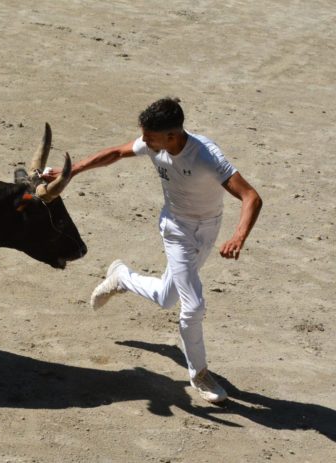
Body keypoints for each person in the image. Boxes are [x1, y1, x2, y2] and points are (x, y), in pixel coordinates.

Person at [42, 97, 262, 403]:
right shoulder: (154, 144)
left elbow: (251, 196)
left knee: (166, 296)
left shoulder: (206, 156)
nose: (143, 142)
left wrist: (238, 236)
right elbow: (116, 153)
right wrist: (71, 172)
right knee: (193, 306)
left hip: (209, 228)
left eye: (150, 137)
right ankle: (199, 374)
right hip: (175, 229)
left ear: (171, 136)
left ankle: (121, 277)